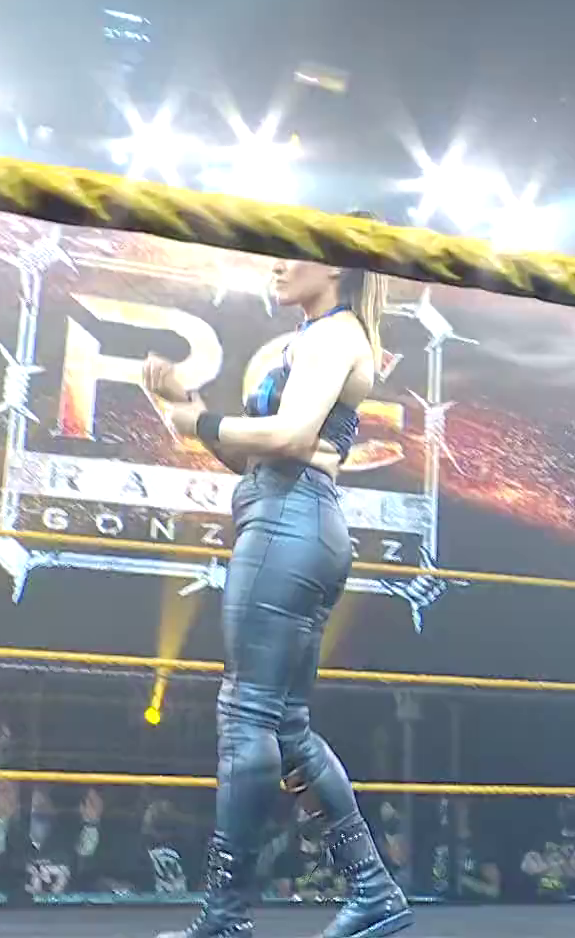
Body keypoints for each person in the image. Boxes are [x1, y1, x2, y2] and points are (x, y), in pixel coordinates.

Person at [144, 258, 410, 938]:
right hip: (289, 516)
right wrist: (180, 404)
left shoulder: (336, 333)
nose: (278, 263)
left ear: (336, 264)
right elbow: (253, 451)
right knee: (284, 725)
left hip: (289, 521)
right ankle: (373, 890)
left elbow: (289, 437)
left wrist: (201, 418)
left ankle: (225, 915)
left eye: (295, 251)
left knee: (246, 717)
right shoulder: (315, 336)